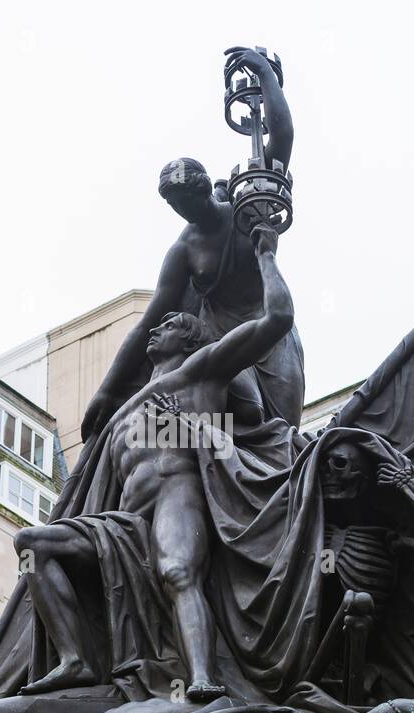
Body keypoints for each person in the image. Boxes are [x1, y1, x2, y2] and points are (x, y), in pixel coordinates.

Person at [15, 224, 293, 702]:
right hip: (123, 522)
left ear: (187, 340)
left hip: (176, 497)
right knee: (33, 545)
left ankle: (203, 678)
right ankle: (75, 660)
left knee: (178, 573)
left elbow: (276, 320)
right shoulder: (126, 408)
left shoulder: (200, 370)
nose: (155, 329)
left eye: (165, 326)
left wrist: (266, 257)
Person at [79, 47, 302, 442]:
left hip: (270, 330)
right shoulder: (184, 250)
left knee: (280, 433)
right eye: (176, 206)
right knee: (210, 433)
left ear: (202, 192)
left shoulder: (245, 207)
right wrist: (109, 390)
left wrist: (265, 72)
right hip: (217, 342)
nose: (184, 212)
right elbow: (150, 321)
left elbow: (282, 135)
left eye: (189, 202)